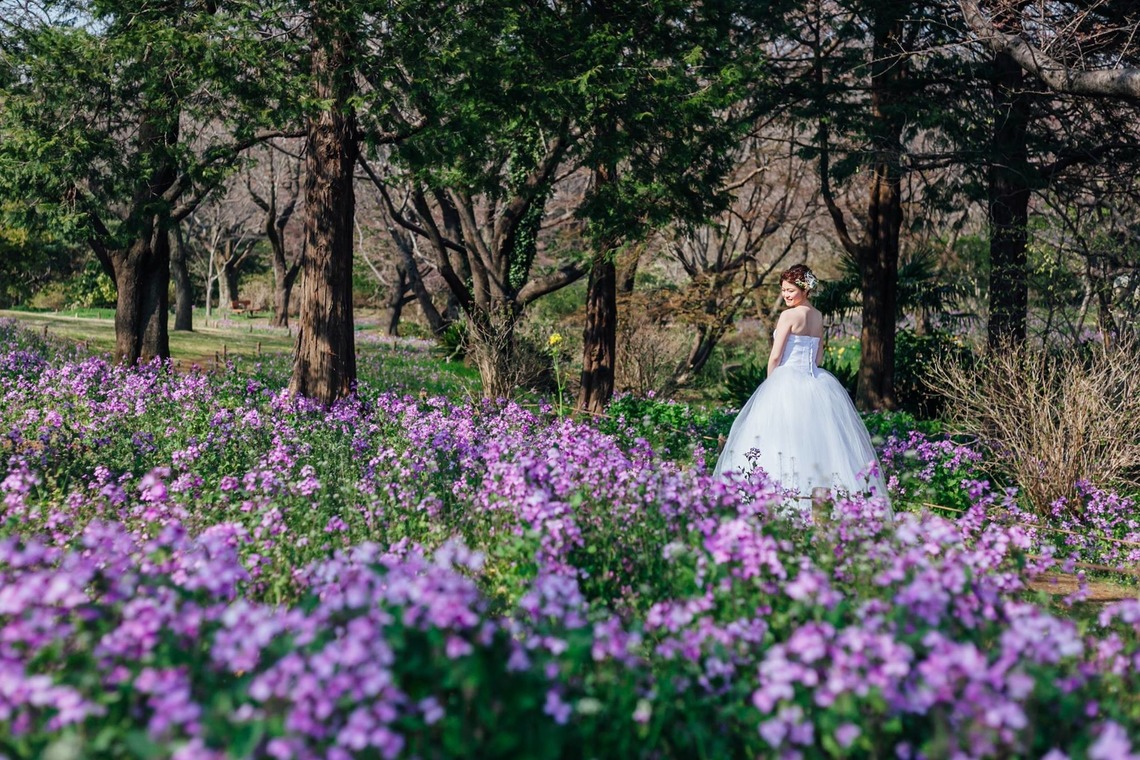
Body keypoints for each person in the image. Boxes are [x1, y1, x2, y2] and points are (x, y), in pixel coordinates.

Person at [714, 264, 890, 513]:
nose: (786, 295)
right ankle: (829, 505)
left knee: (777, 441)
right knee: (817, 443)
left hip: (785, 377)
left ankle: (770, 504)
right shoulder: (817, 316)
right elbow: (818, 357)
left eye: (790, 290)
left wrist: (770, 385)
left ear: (804, 288)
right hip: (814, 381)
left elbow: (775, 357)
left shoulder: (788, 316)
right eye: (784, 290)